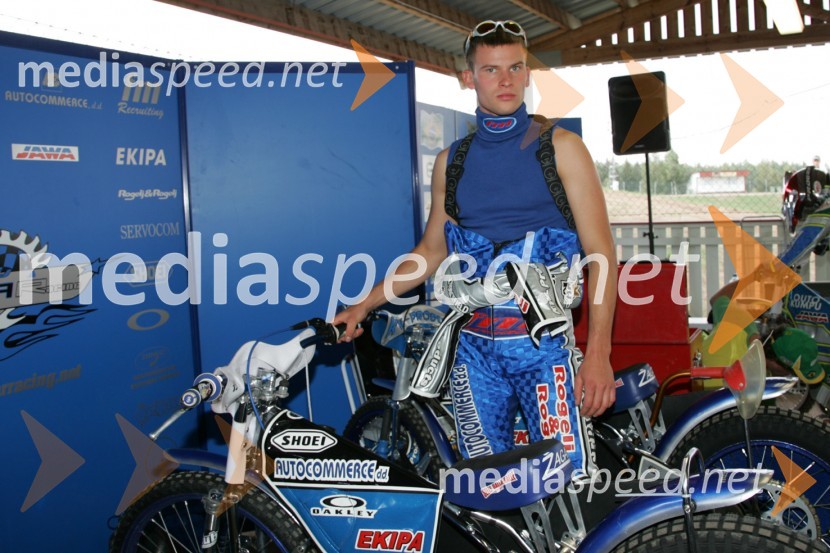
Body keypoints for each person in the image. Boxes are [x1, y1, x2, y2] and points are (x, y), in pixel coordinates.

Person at [333, 20, 617, 473]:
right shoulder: (453, 162)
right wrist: (364, 305)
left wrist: (599, 354)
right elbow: (430, 252)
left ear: (527, 74)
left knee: (563, 485)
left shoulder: (562, 149)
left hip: (543, 350)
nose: (505, 80)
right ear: (469, 78)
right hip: (474, 354)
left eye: (515, 68)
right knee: (487, 484)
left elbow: (601, 256)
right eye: (490, 70)